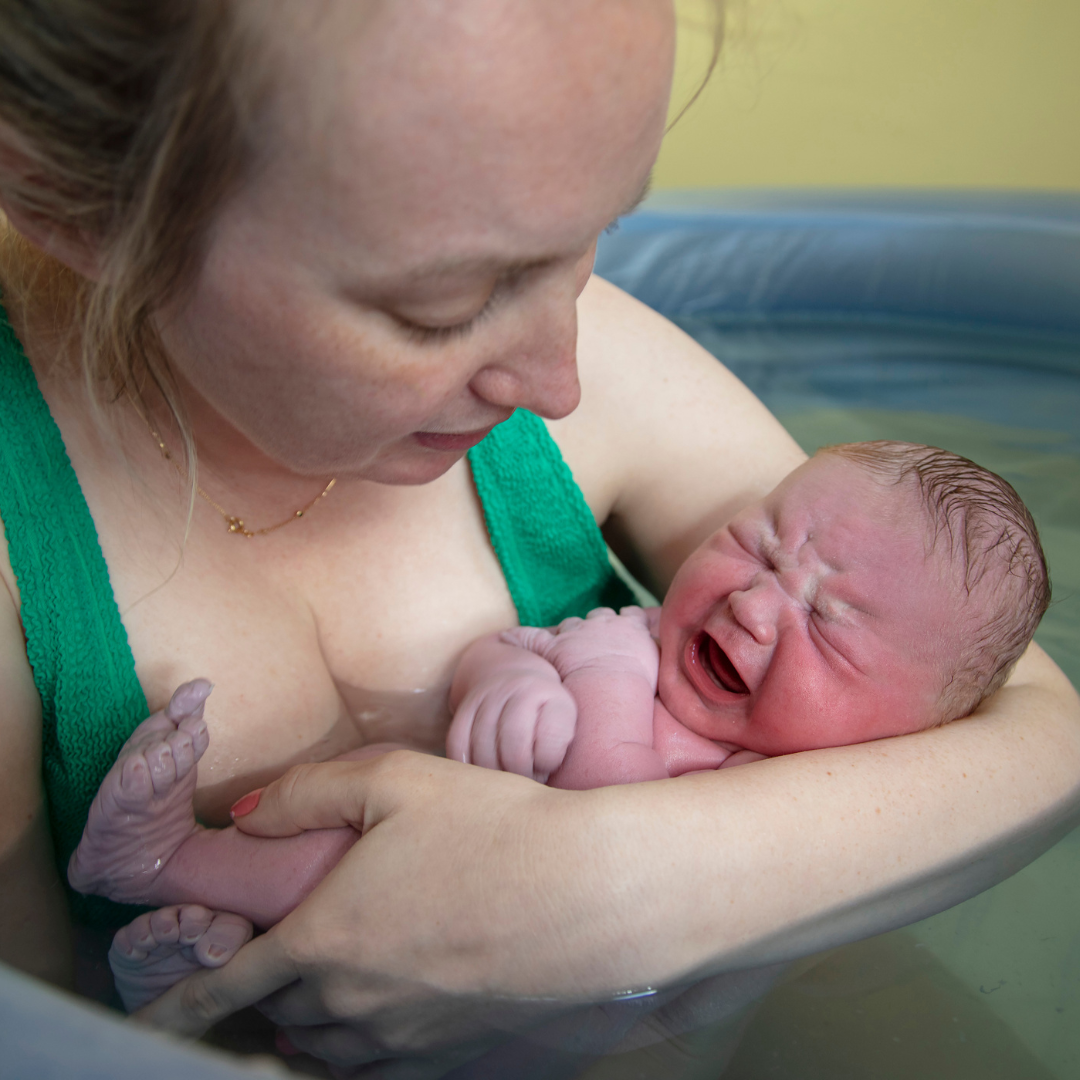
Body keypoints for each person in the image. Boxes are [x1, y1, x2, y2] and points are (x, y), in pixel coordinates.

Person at [0, 1, 1078, 1075]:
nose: (559, 381)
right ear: (72, 203)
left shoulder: (606, 362)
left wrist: (606, 890)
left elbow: (1036, 728)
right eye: (442, 305)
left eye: (597, 239)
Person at [67, 439, 1054, 1015]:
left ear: (914, 730)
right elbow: (527, 663)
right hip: (417, 880)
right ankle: (165, 866)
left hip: (545, 1021)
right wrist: (502, 679)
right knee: (348, 832)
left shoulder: (829, 811)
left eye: (830, 630)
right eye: (754, 545)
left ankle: (206, 969)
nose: (756, 605)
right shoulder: (623, 644)